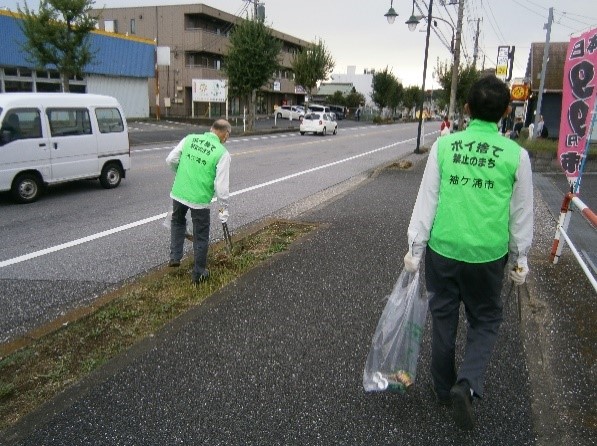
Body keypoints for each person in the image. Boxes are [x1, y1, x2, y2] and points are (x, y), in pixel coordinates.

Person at [403, 75, 533, 431]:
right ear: (508, 111)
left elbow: (427, 200)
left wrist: (415, 246)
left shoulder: (444, 147)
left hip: (443, 249)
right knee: (486, 320)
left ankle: (443, 388)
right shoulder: (516, 156)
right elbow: (521, 214)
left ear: (466, 109)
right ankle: (468, 383)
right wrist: (520, 258)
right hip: (487, 257)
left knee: (443, 317)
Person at [166, 119, 232, 285]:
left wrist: (180, 173)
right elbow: (221, 187)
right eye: (228, 137)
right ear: (225, 134)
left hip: (179, 192)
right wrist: (223, 211)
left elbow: (171, 159)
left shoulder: (190, 139)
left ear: (211, 129)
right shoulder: (222, 153)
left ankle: (175, 256)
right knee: (201, 235)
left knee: (177, 221)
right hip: (200, 199)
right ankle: (199, 273)